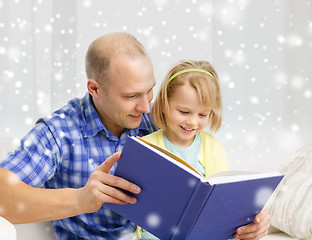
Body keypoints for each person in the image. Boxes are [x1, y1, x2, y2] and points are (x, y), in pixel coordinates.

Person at [0, 32, 269, 239]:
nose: (145, 107)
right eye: (131, 96)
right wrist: (80, 199)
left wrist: (249, 218)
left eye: (149, 91)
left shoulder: (159, 120)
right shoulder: (59, 132)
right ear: (95, 88)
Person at [135, 60, 270, 240]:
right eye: (184, 112)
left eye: (202, 115)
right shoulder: (145, 146)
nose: (192, 122)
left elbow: (223, 195)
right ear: (165, 104)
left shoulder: (212, 146)